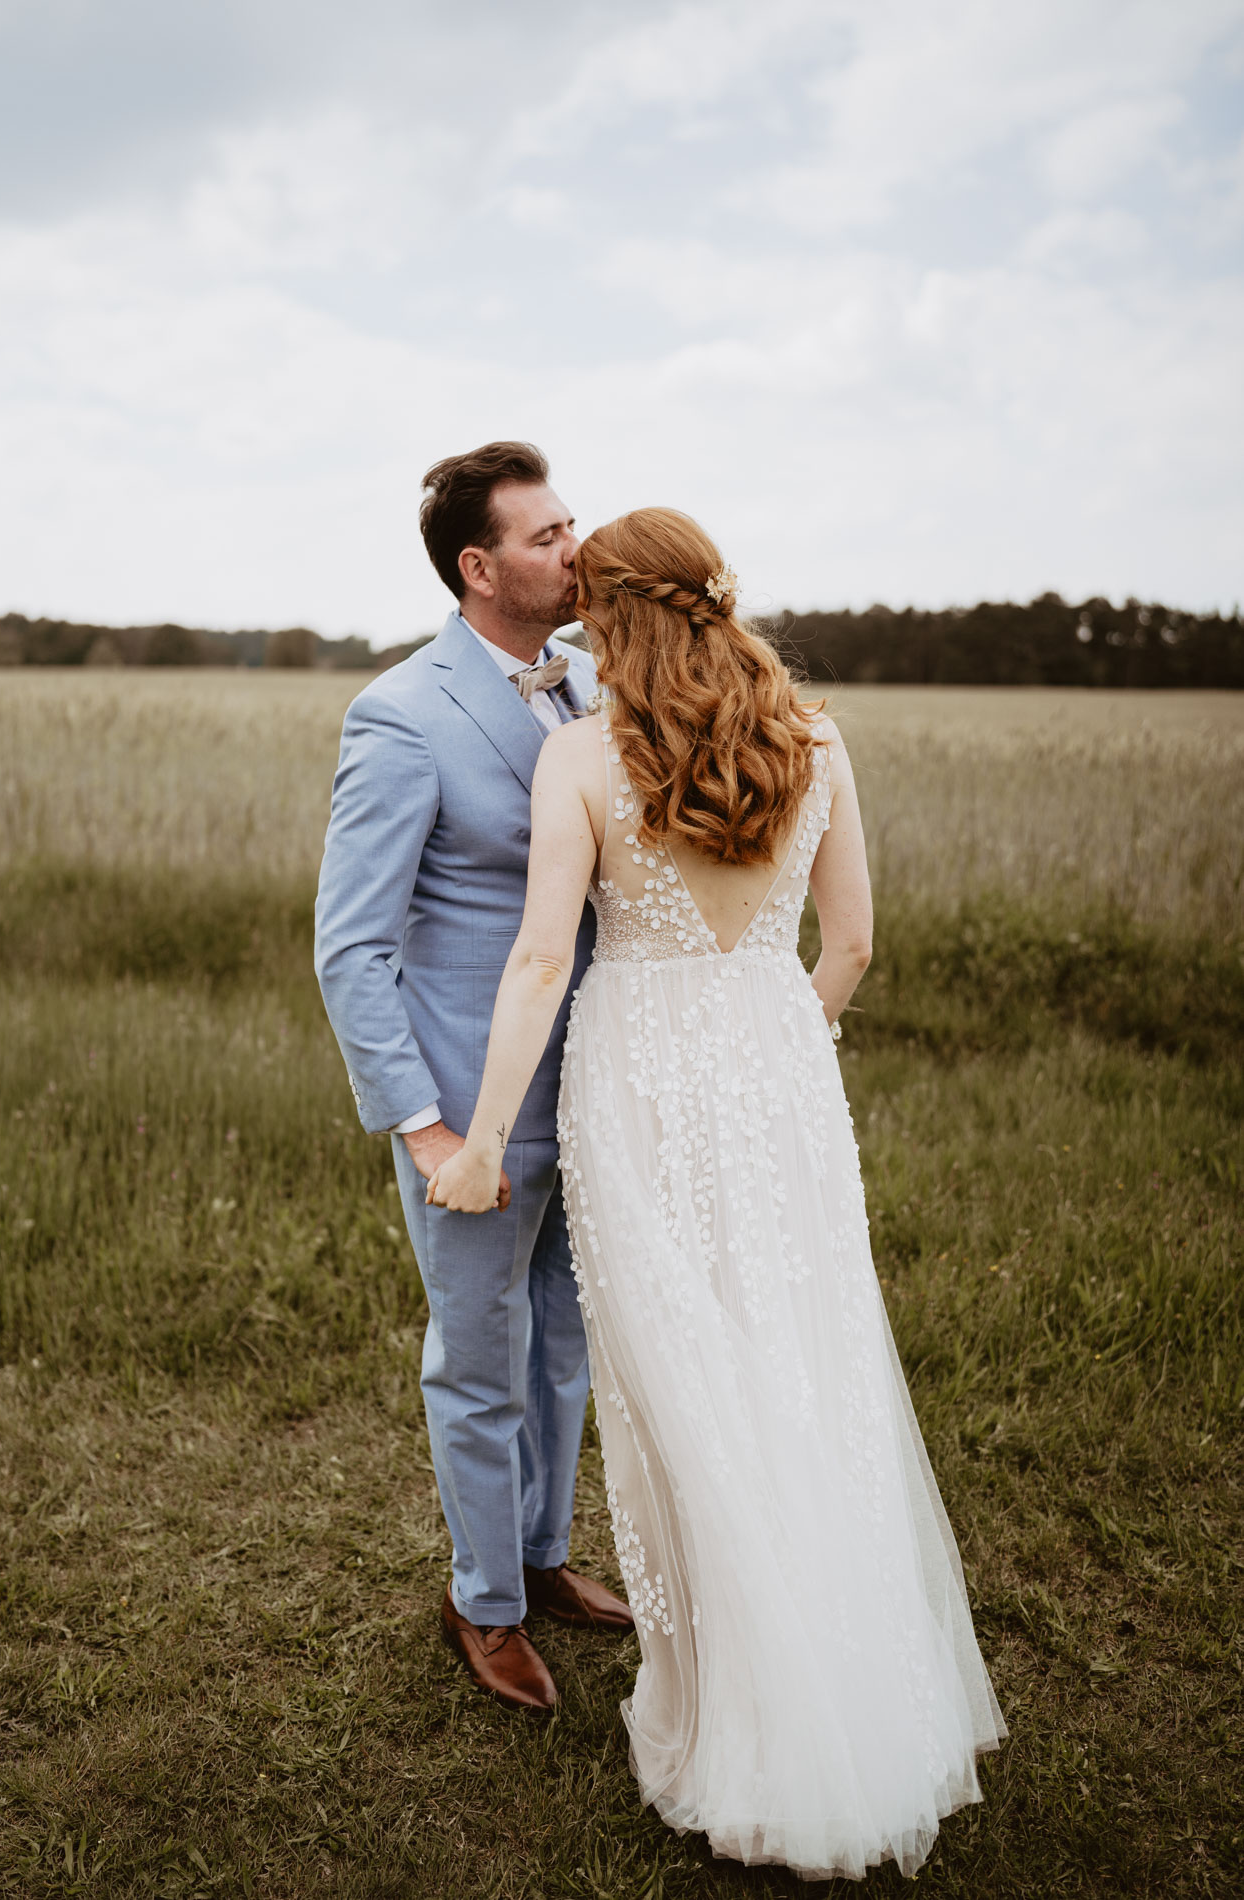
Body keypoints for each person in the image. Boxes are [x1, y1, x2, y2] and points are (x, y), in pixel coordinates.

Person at [426, 507, 1006, 1881]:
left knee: (681, 1396)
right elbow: (851, 942)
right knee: (797, 1376)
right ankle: (844, 1694)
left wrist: (478, 1142)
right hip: (779, 1077)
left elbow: (536, 968)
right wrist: (771, 1052)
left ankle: (737, 1726)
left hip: (635, 1089)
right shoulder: (816, 736)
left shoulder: (581, 754)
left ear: (610, 621)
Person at [314, 442, 632, 1719]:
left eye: (574, 523)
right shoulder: (400, 712)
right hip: (469, 1110)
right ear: (478, 566)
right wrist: (425, 1123)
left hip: (601, 1087)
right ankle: (481, 1599)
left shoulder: (603, 682)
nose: (577, 549)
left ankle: (543, 1556)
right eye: (549, 536)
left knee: (566, 1344)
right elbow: (351, 943)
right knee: (480, 1357)